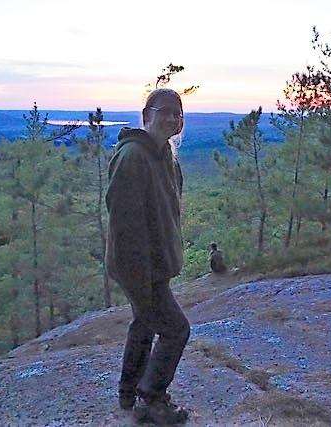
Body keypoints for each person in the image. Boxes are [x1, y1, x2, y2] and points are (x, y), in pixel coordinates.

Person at [105, 88, 190, 424]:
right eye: (164, 111)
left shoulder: (165, 158)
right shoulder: (133, 158)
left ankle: (129, 393)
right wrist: (139, 279)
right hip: (140, 268)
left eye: (177, 113)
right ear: (146, 116)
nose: (171, 118)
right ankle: (150, 399)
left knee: (144, 322)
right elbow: (125, 228)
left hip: (155, 266)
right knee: (175, 330)